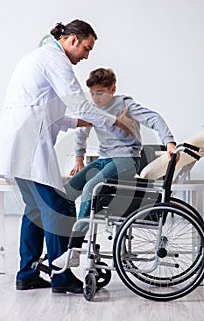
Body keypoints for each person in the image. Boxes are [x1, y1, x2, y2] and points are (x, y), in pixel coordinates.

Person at [0, 20, 135, 294]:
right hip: (27, 145)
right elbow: (77, 103)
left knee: (35, 211)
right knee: (58, 207)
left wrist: (92, 123)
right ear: (72, 40)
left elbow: (60, 114)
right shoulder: (54, 60)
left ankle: (27, 274)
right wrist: (114, 121)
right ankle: (61, 276)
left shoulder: (42, 58)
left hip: (18, 142)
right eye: (86, 48)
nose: (86, 56)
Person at [52, 67, 177, 269]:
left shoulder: (125, 105)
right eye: (92, 93)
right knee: (66, 192)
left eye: (100, 93)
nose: (95, 98)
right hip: (104, 159)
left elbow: (154, 118)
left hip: (127, 160)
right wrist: (78, 158)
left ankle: (75, 250)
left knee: (90, 188)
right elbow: (81, 133)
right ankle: (63, 246)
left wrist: (169, 142)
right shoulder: (91, 108)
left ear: (113, 89)